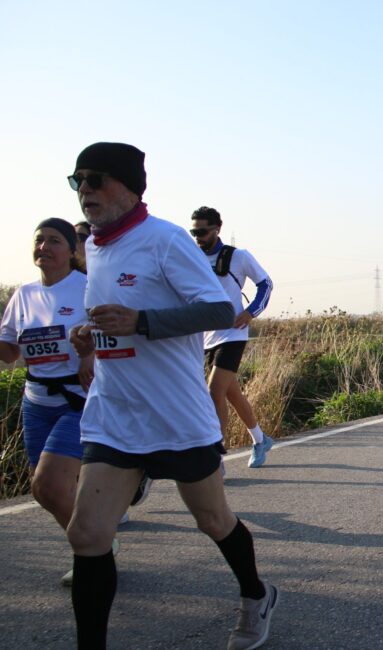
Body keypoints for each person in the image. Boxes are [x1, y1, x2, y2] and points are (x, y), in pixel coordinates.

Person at [65, 142, 276, 648]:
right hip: (114, 413)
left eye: (95, 179)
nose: (85, 191)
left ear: (130, 186)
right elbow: (109, 319)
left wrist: (142, 323)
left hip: (174, 414)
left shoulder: (165, 240)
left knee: (213, 519)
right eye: (77, 182)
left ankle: (256, 594)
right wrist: (89, 343)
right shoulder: (93, 246)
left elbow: (217, 312)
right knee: (87, 534)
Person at [0, 219, 94, 585]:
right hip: (36, 401)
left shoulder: (87, 288)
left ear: (72, 250)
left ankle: (94, 550)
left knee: (47, 485)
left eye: (54, 241)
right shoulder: (23, 295)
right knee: (52, 491)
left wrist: (90, 350)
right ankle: (95, 545)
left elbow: (115, 336)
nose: (44, 247)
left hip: (80, 398)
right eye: (39, 241)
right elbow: (10, 353)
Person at [190, 207, 276, 469]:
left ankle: (216, 457)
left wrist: (250, 313)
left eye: (202, 231)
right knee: (231, 394)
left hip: (233, 334)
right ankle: (260, 439)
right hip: (205, 337)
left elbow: (266, 284)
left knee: (213, 391)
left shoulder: (238, 256)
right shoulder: (191, 257)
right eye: (194, 232)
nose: (198, 237)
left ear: (217, 228)